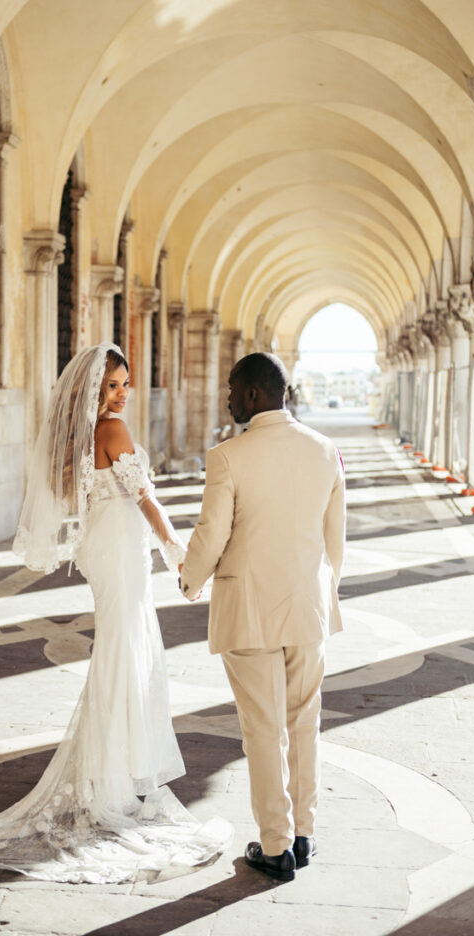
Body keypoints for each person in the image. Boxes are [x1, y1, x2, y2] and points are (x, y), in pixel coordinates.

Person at [0, 343, 231, 883]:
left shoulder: (78, 440)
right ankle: (111, 779)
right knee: (124, 647)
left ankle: (112, 771)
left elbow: (80, 494)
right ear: (93, 391)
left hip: (104, 546)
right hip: (120, 545)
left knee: (121, 644)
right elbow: (146, 501)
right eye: (112, 385)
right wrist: (178, 551)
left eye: (125, 384)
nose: (121, 394)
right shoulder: (112, 431)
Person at [179, 352, 345, 882]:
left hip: (249, 610)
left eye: (232, 389)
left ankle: (275, 846)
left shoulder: (228, 456)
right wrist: (323, 588)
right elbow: (334, 541)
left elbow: (212, 534)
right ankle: (303, 833)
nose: (227, 398)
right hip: (307, 606)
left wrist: (190, 579)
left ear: (253, 394)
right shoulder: (325, 451)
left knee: (262, 728)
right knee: (303, 722)